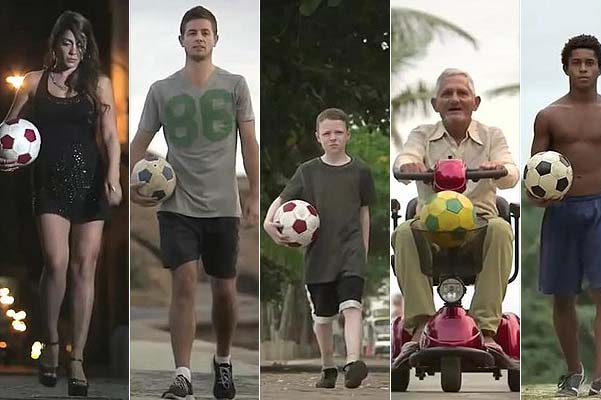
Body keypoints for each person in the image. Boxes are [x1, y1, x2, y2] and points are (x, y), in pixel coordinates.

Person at [129, 6, 259, 400]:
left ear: (215, 39)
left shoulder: (236, 85)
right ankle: (182, 375)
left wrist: (253, 193)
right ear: (181, 39)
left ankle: (222, 360)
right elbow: (138, 143)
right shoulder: (161, 89)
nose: (198, 37)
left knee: (223, 292)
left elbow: (249, 143)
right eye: (191, 32)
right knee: (183, 283)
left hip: (222, 206)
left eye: (205, 32)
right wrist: (134, 183)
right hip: (177, 205)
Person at [0, 10, 122, 396]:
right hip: (48, 184)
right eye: (67, 43)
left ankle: (77, 359)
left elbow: (111, 136)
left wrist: (113, 175)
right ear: (55, 45)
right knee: (56, 263)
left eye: (80, 45)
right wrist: (5, 156)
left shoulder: (100, 84)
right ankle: (52, 343)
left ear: (87, 50)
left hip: (89, 182)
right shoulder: (34, 83)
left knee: (85, 267)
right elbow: (8, 129)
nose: (73, 51)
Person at [529, 34, 601, 398]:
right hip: (562, 211)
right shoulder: (548, 116)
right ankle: (573, 372)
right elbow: (534, 173)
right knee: (563, 296)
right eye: (576, 62)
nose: (583, 68)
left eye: (590, 63)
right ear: (566, 67)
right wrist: (539, 200)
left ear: (600, 68)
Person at [391, 68, 519, 368]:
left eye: (462, 93)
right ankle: (420, 327)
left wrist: (497, 166)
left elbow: (511, 172)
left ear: (475, 101)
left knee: (501, 227)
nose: (455, 99)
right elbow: (405, 158)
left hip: (478, 226)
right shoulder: (422, 134)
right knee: (405, 231)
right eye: (447, 94)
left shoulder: (492, 135)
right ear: (436, 103)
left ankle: (486, 331)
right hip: (432, 227)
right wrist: (409, 165)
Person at [263, 108, 375, 389]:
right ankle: (328, 367)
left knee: (352, 305)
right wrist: (268, 221)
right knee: (323, 318)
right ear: (318, 137)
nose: (333, 138)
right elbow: (282, 200)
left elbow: (364, 213)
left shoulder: (361, 170)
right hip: (319, 256)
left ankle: (352, 362)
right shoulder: (307, 171)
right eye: (327, 133)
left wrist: (362, 250)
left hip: (350, 251)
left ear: (348, 134)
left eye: (338, 132)